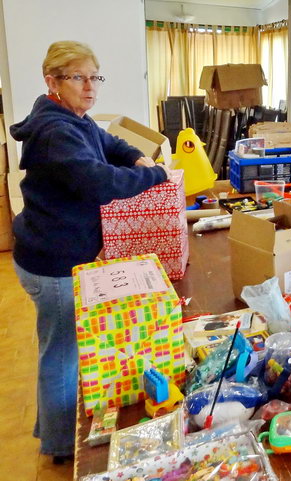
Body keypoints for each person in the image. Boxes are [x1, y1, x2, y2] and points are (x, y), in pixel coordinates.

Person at [10, 41, 172, 464]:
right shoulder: (55, 131)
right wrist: (155, 175)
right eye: (78, 77)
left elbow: (107, 142)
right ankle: (62, 446)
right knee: (61, 353)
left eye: (94, 77)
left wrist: (136, 155)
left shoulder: (70, 116)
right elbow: (99, 181)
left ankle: (53, 429)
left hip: (52, 250)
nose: (90, 87)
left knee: (61, 347)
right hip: (52, 261)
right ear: (53, 82)